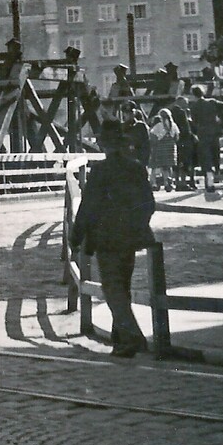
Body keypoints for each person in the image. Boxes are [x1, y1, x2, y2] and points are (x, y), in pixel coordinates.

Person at [69, 119, 156, 358]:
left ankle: (131, 339)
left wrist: (76, 237)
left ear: (103, 144)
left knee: (112, 289)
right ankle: (120, 341)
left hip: (107, 238)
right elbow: (149, 203)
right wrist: (136, 226)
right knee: (123, 288)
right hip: (130, 238)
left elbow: (88, 208)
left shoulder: (101, 171)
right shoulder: (136, 167)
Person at [149, 108, 179, 191]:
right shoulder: (174, 125)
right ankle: (169, 181)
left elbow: (152, 135)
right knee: (168, 166)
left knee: (159, 165)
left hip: (161, 147)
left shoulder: (159, 125)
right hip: (171, 147)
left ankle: (158, 182)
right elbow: (177, 137)